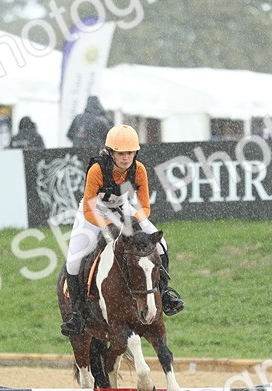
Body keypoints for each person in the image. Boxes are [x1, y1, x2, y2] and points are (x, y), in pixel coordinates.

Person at [59, 124, 185, 337]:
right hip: (92, 212)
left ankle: (164, 293)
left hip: (122, 210)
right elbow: (89, 207)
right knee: (74, 260)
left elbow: (144, 207)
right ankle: (77, 313)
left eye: (130, 152)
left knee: (162, 245)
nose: (126, 158)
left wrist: (130, 221)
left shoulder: (139, 170)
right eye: (121, 153)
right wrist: (105, 225)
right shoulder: (97, 170)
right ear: (111, 152)